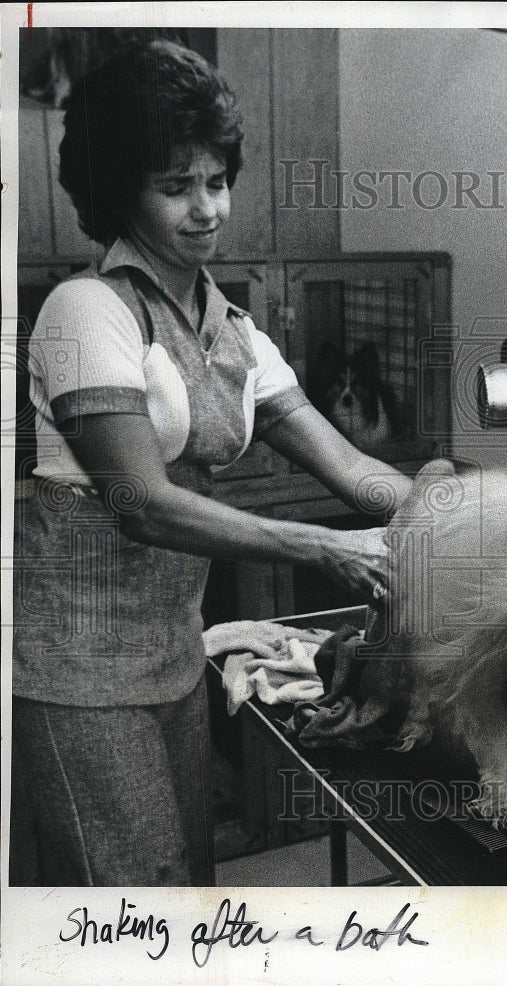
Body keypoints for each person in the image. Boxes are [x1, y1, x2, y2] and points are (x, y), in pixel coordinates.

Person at [11, 38, 412, 887]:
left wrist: (454, 507)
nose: (207, 209)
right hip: (76, 671)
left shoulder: (232, 327)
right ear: (120, 192)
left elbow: (348, 468)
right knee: (137, 910)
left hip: (173, 658)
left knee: (188, 890)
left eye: (217, 181)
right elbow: (140, 502)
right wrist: (324, 548)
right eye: (175, 187)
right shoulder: (85, 312)